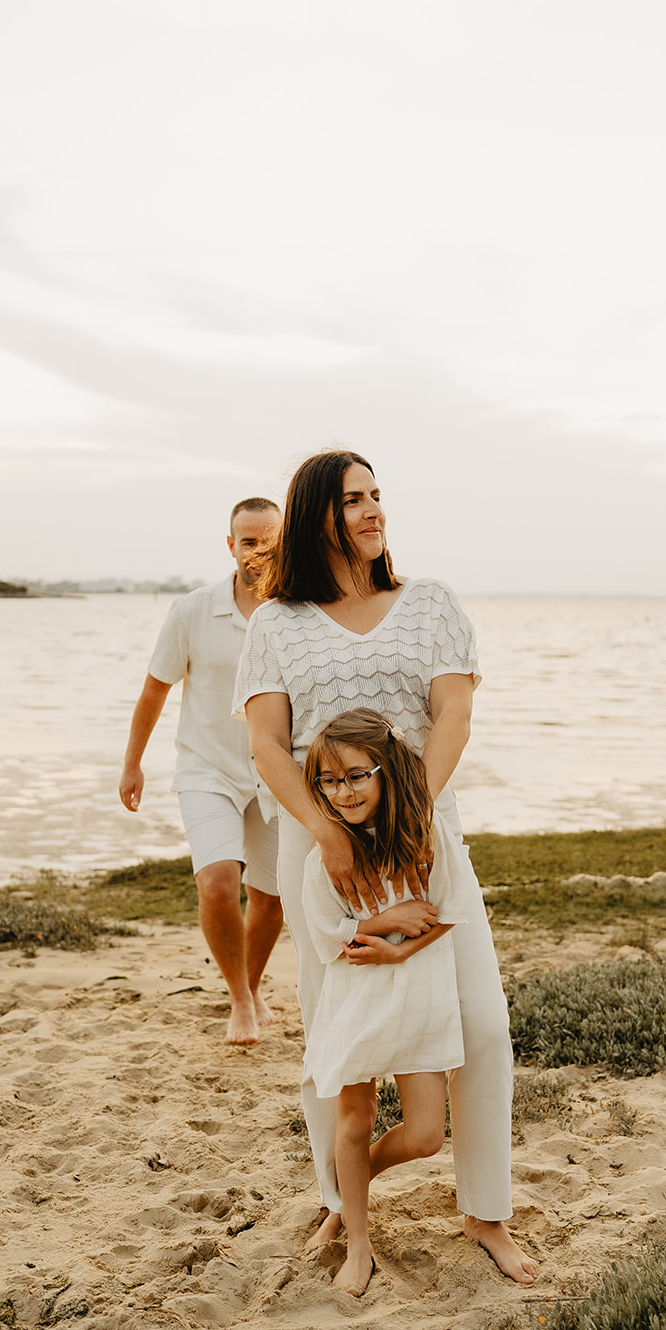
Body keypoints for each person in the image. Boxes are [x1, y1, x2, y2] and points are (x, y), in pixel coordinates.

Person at [234, 449, 538, 1284]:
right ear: (315, 517)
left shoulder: (429, 603)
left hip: (425, 838)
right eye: (353, 500)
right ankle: (341, 1198)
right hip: (317, 842)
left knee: (479, 1025)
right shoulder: (277, 622)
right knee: (334, 1032)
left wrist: (413, 818)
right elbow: (266, 742)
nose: (373, 512)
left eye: (377, 497)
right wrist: (326, 837)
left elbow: (452, 715)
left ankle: (485, 1212)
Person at [302, 708, 477, 1297]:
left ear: (386, 770)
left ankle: (354, 1188)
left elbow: (450, 909)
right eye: (328, 781)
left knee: (426, 1133)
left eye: (355, 776)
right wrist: (385, 918)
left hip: (419, 994)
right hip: (356, 997)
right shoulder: (328, 855)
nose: (342, 792)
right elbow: (328, 933)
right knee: (354, 1121)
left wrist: (403, 949)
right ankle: (358, 1241)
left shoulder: (427, 836)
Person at [119, 498, 284, 1046]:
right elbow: (154, 689)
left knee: (270, 898)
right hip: (206, 767)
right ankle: (240, 1000)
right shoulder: (193, 610)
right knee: (218, 886)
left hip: (277, 773)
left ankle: (252, 985)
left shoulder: (298, 612)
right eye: (247, 541)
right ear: (229, 544)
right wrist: (132, 763)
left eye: (268, 541)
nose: (258, 552)